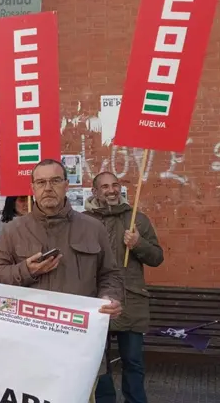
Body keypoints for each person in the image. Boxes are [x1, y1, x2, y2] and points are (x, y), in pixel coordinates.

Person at [0, 159, 124, 399]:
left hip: (79, 344)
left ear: (66, 185)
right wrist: (27, 270)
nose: (48, 188)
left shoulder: (93, 228)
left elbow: (110, 274)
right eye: (41, 182)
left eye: (55, 181)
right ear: (32, 188)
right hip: (29, 345)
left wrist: (109, 297)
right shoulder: (14, 230)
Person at [85, 172, 164, 403]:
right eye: (105, 186)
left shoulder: (137, 219)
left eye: (115, 185)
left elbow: (157, 257)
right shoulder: (83, 221)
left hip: (131, 302)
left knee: (133, 361)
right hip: (97, 301)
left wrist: (138, 244)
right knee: (99, 364)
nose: (111, 190)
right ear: (95, 191)